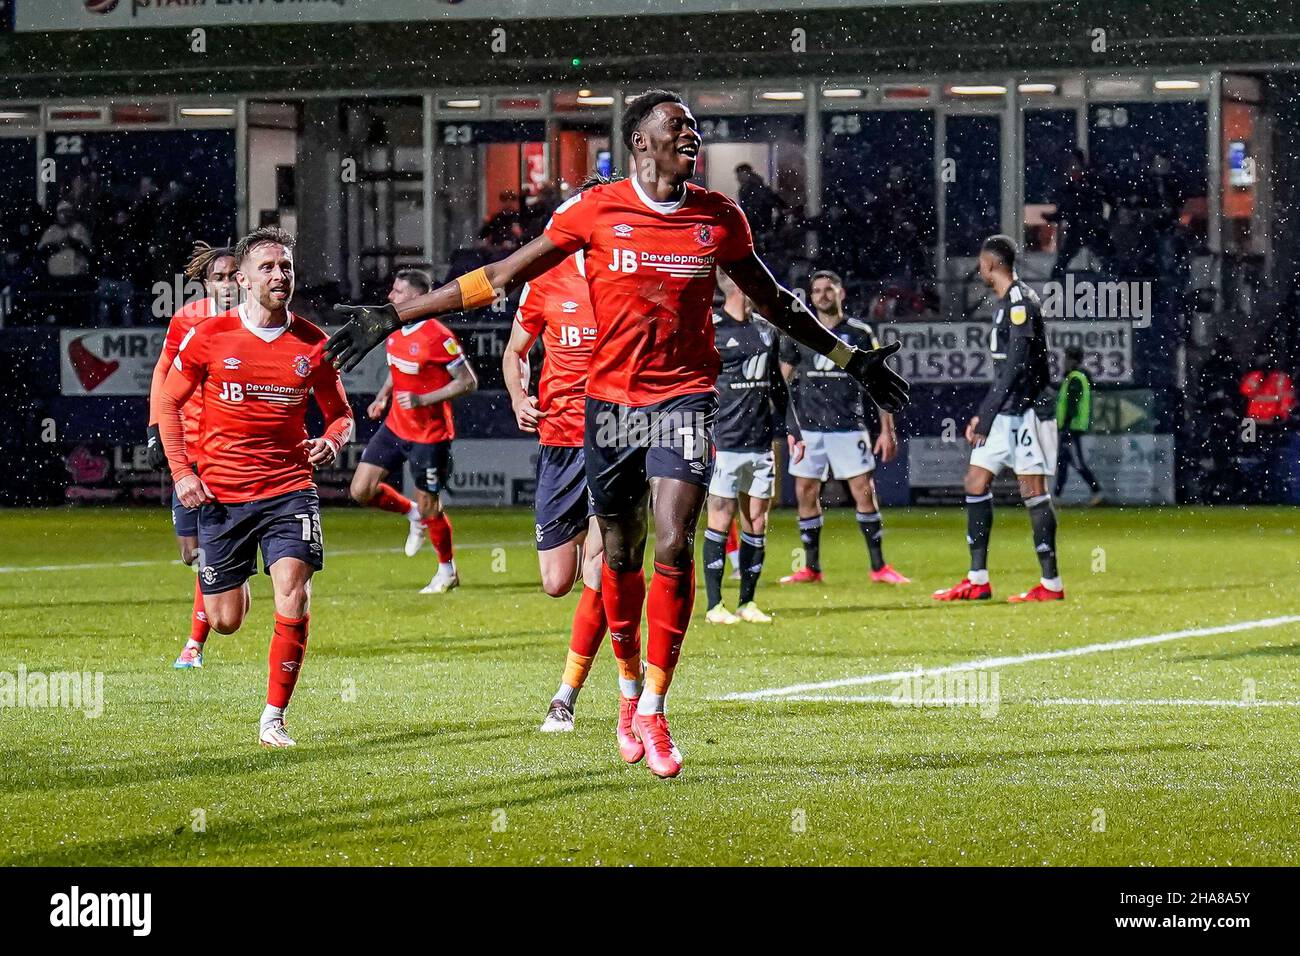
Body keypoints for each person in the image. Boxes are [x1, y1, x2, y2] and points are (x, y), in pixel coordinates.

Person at [325, 88, 908, 778]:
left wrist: (849, 358)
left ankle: (656, 708)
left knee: (673, 540)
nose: (690, 138)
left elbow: (775, 301)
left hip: (685, 400)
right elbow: (502, 276)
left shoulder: (719, 217)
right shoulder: (595, 210)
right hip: (610, 407)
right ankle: (626, 693)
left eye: (694, 130)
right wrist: (398, 316)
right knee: (621, 560)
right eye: (676, 128)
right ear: (640, 142)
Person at [157, 226, 354, 747]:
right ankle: (230, 585)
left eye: (286, 267)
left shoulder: (314, 343)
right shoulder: (209, 337)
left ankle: (273, 717)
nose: (279, 276)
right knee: (225, 620)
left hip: (290, 489)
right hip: (222, 494)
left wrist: (333, 443)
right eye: (267, 268)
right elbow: (169, 403)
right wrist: (182, 472)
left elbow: (341, 415)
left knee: (294, 592)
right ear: (242, 279)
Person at [501, 195, 610, 732]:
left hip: (614, 438)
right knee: (555, 581)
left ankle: (566, 695)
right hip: (557, 440)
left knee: (600, 564)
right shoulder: (545, 280)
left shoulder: (626, 278)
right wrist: (520, 399)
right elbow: (514, 352)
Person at [933, 235, 1062, 604]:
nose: (979, 269)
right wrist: (990, 415)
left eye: (980, 263)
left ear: (990, 264)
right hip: (1006, 411)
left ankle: (1050, 584)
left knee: (1032, 491)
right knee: (975, 481)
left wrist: (984, 416)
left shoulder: (1021, 302)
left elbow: (1017, 368)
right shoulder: (1006, 304)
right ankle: (978, 579)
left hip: (1027, 412)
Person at [778, 270, 910, 586]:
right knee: (805, 493)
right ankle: (810, 568)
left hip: (849, 426)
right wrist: (788, 425)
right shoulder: (801, 332)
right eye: (817, 291)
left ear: (841, 293)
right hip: (810, 428)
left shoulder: (860, 332)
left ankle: (879, 567)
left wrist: (886, 428)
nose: (822, 295)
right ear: (809, 297)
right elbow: (782, 382)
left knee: (864, 492)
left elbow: (878, 383)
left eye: (829, 289)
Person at [144, 242, 240, 670]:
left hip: (226, 451)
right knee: (190, 551)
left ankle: (193, 644)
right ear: (204, 283)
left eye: (233, 276)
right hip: (187, 445)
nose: (227, 285)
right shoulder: (187, 319)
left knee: (206, 550)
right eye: (218, 277)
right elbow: (163, 371)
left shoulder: (254, 323)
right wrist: (154, 429)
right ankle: (230, 576)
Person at [349, 268, 476, 594]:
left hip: (430, 436)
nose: (391, 297)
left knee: (433, 504)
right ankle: (411, 513)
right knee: (360, 490)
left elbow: (467, 382)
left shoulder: (439, 337)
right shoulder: (394, 329)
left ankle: (447, 571)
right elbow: (398, 368)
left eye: (398, 291)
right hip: (395, 426)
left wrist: (424, 398)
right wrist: (382, 396)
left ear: (418, 297)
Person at [703, 270, 803, 625]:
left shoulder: (765, 329)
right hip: (724, 442)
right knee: (719, 518)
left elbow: (776, 383)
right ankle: (715, 605)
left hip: (760, 442)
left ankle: (747, 601)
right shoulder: (711, 327)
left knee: (756, 522)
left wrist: (792, 428)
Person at [1054, 345, 1103, 504]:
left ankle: (1097, 492)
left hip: (1071, 427)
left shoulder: (1075, 378)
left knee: (1076, 461)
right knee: (1063, 462)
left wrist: (1066, 425)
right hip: (1070, 427)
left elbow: (1071, 405)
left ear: (1071, 360)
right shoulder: (1077, 377)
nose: (1064, 362)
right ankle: (1057, 494)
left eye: (1067, 358)